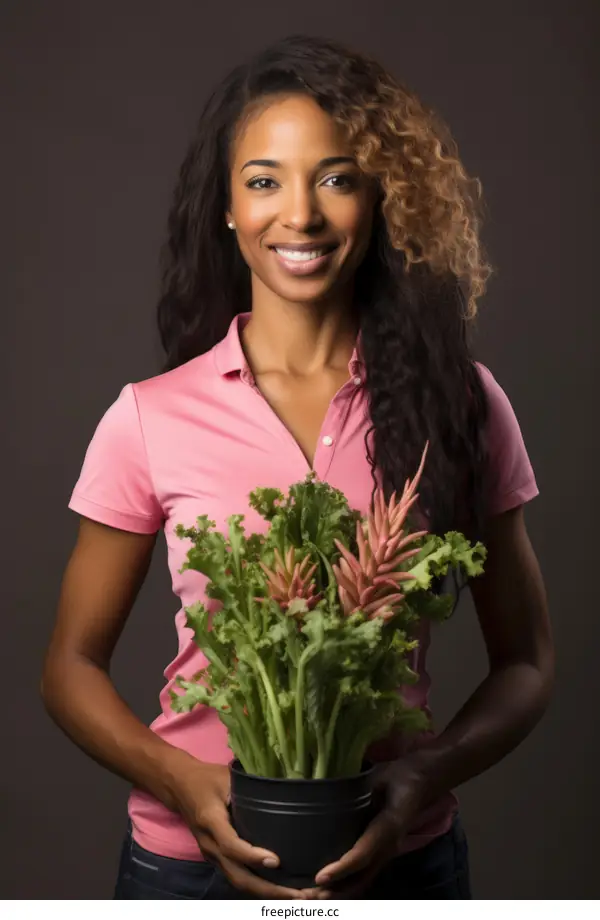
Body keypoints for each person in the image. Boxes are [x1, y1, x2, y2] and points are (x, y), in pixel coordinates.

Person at [41, 34, 554, 900]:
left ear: (380, 198)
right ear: (228, 210)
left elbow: (528, 662)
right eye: (265, 180)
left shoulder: (461, 401)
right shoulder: (151, 415)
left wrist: (423, 776)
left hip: (402, 860)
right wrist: (182, 784)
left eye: (337, 177)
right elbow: (68, 669)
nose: (302, 216)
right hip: (189, 866)